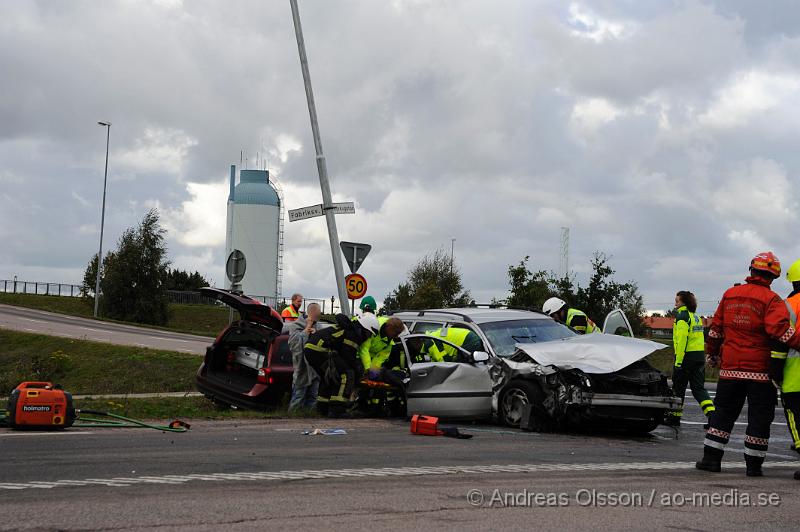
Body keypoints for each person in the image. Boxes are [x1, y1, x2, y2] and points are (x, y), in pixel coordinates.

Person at [696, 252, 800, 477]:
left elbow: (715, 330)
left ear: (751, 270)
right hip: (760, 373)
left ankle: (711, 460)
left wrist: (712, 354)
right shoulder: (771, 300)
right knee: (760, 417)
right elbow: (780, 331)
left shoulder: (730, 294)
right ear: (773, 276)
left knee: (722, 414)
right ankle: (753, 466)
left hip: (730, 369)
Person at [304, 313, 381, 418]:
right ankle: (337, 410)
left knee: (329, 377)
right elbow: (348, 357)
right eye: (369, 333)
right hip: (320, 350)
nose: (368, 337)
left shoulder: (349, 329)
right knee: (347, 374)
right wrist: (358, 372)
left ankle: (323, 408)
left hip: (312, 348)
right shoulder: (352, 335)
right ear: (364, 328)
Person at [664, 291, 715, 427]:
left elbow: (681, 341)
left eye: (677, 301)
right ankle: (712, 416)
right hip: (698, 357)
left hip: (686, 357)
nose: (675, 304)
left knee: (678, 388)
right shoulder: (696, 317)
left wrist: (678, 362)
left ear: (684, 303)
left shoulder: (682, 316)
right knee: (699, 389)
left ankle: (674, 418)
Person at [780, 259, 800, 480]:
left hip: (795, 373)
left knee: (795, 415)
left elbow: (780, 341)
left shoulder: (789, 305)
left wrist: (774, 369)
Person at [286, 302, 325, 412]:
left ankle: (309, 419)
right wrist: (306, 330)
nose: (319, 315)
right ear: (311, 313)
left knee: (313, 398)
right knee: (298, 398)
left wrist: (316, 333)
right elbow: (294, 345)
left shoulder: (319, 326)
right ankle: (292, 419)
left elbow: (324, 344)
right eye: (317, 313)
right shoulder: (296, 325)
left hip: (315, 370)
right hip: (301, 369)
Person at [359, 317, 407, 387]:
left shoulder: (389, 342)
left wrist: (372, 372)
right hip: (356, 355)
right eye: (396, 332)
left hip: (368, 359)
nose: (396, 336)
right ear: (388, 327)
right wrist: (367, 368)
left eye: (398, 333)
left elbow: (379, 358)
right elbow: (364, 348)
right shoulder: (374, 327)